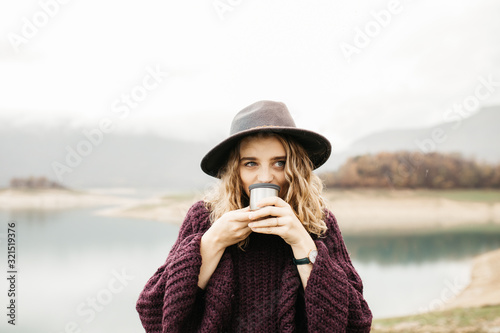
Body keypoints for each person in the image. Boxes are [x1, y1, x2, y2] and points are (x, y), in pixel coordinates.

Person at [136, 100, 372, 332]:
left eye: (279, 163)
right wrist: (213, 241)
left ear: (296, 167)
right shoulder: (204, 218)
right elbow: (154, 315)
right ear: (234, 171)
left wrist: (302, 242)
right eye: (250, 164)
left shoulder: (318, 221)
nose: (265, 177)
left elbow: (356, 323)